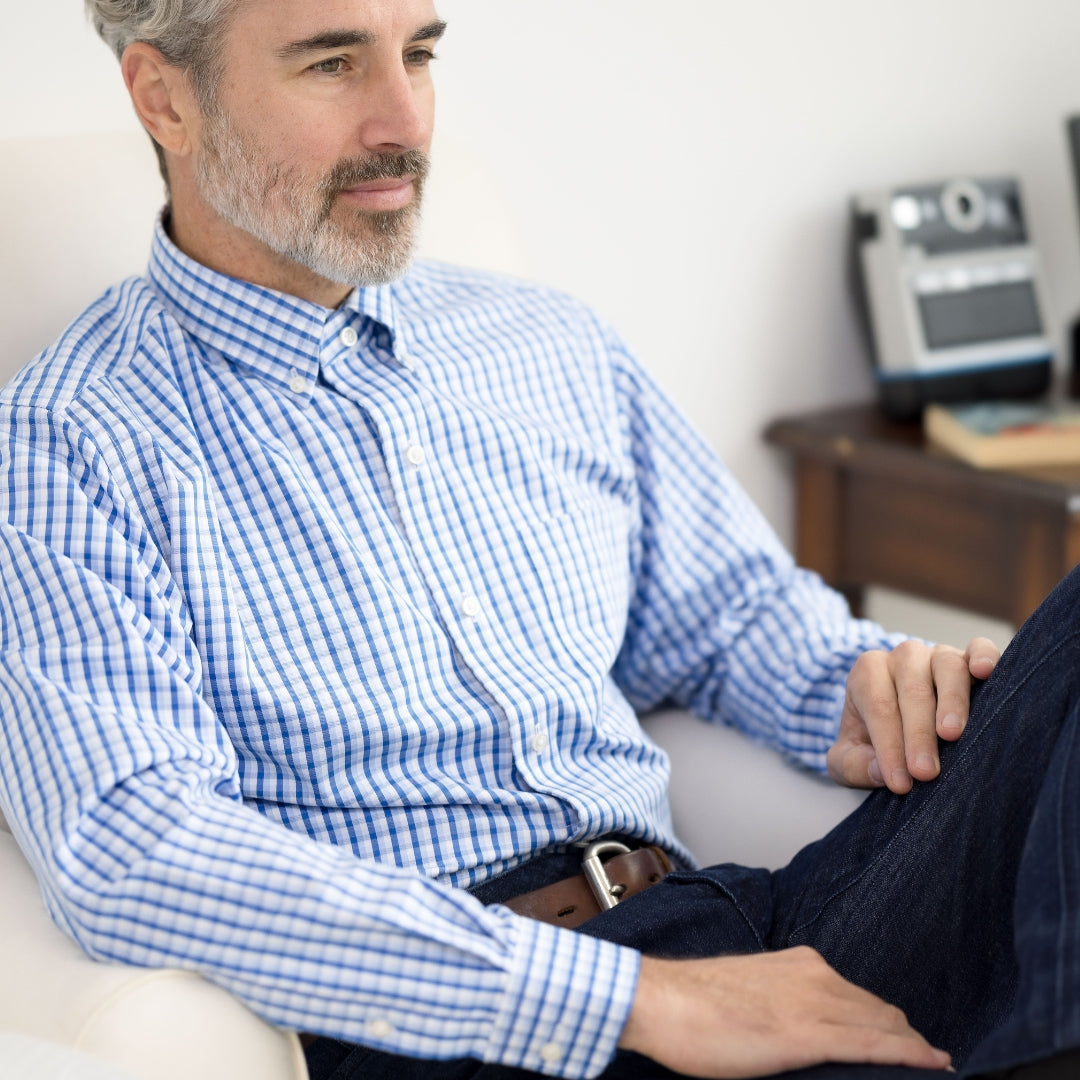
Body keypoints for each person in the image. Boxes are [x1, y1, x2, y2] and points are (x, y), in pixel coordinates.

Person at [0, 0, 1076, 1077]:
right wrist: (626, 1000)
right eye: (332, 64)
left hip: (741, 931)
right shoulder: (70, 442)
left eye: (419, 55)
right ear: (164, 96)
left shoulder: (544, 341)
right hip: (474, 1027)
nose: (404, 120)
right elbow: (131, 845)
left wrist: (866, 690)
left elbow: (733, 615)